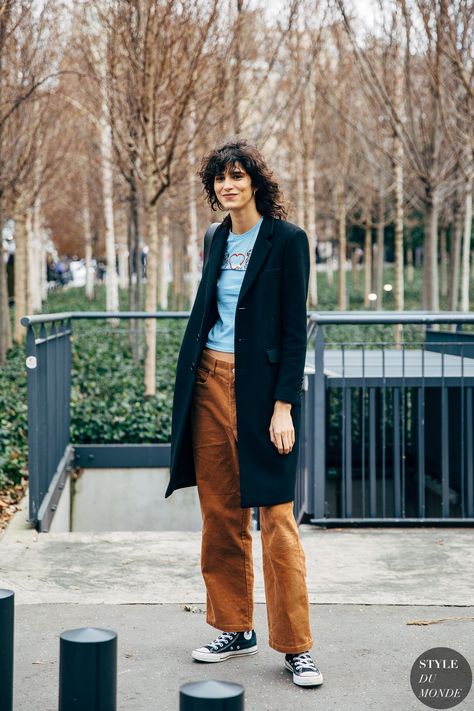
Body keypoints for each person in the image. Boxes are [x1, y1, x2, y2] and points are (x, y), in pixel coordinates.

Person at [166, 138, 323, 688]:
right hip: (209, 380)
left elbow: (292, 331)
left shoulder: (287, 240)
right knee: (220, 515)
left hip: (260, 396)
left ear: (256, 182)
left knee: (277, 520)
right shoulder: (214, 237)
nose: (227, 186)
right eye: (219, 179)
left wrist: (284, 406)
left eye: (237, 176)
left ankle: (296, 646)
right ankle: (234, 626)